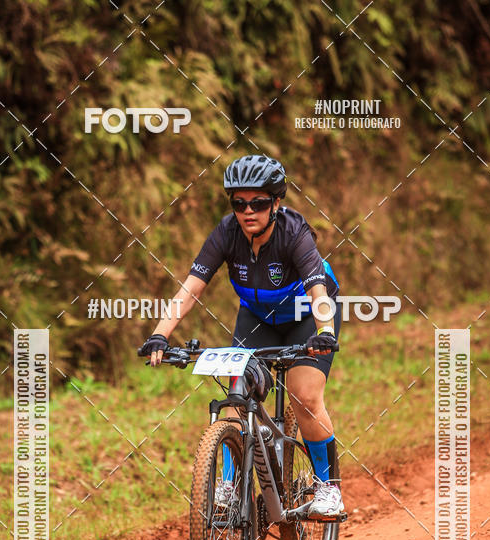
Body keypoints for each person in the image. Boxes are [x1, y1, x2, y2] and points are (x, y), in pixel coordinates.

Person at [140, 154, 343, 517]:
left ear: (276, 202)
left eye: (259, 202)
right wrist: (159, 335)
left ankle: (328, 487)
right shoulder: (226, 233)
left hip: (306, 315)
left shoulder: (293, 232)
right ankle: (231, 487)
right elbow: (190, 289)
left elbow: (318, 292)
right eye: (239, 203)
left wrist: (325, 331)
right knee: (236, 398)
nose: (248, 211)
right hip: (257, 316)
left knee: (304, 395)